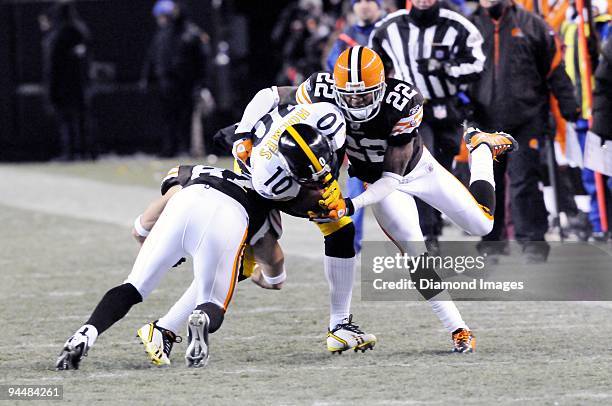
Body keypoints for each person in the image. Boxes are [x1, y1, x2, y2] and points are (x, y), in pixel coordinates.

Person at [232, 46, 519, 353]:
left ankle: (480, 148)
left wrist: (351, 205)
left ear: (382, 87)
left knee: (482, 224)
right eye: (350, 96)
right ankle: (458, 329)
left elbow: (391, 178)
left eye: (365, 95)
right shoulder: (320, 88)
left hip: (414, 171)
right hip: (374, 180)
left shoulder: (403, 102)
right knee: (414, 250)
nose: (356, 102)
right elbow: (271, 95)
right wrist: (243, 133)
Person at [55, 166, 273, 370]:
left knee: (133, 286)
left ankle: (85, 333)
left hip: (185, 201)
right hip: (229, 215)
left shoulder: (197, 169)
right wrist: (270, 279)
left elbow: (142, 227)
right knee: (212, 302)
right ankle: (201, 318)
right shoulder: (267, 194)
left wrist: (157, 249)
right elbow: (274, 258)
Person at [369, 0, 485, 253]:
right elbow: (374, 68)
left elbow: (477, 65)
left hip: (448, 108)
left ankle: (433, 225)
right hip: (411, 110)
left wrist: (445, 68)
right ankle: (427, 233)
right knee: (422, 169)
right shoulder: (388, 27)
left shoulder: (457, 24)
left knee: (444, 166)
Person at [468, 0, 580, 262]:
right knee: (487, 184)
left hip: (526, 118)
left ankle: (533, 242)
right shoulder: (469, 27)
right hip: (483, 121)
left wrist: (569, 106)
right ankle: (491, 242)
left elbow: (554, 70)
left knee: (524, 180)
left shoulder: (532, 25)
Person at [326, 0, 385, 253]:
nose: (364, 6)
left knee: (403, 181)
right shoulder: (345, 36)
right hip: (356, 121)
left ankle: (423, 238)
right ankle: (352, 241)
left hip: (386, 116)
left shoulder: (389, 29)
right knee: (355, 181)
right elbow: (332, 71)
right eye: (358, 1)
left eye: (369, 0)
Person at [141, 0, 209, 157]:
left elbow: (202, 62)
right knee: (168, 118)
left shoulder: (192, 33)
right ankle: (169, 149)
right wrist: (148, 77)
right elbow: (153, 57)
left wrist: (202, 84)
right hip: (167, 84)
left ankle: (188, 148)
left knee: (188, 118)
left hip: (187, 84)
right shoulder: (163, 34)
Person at [40, 1, 93, 161]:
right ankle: (86, 152)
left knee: (67, 120)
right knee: (82, 119)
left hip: (63, 86)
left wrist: (50, 90)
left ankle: (70, 152)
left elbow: (52, 66)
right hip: (80, 84)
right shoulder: (80, 31)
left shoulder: (57, 36)